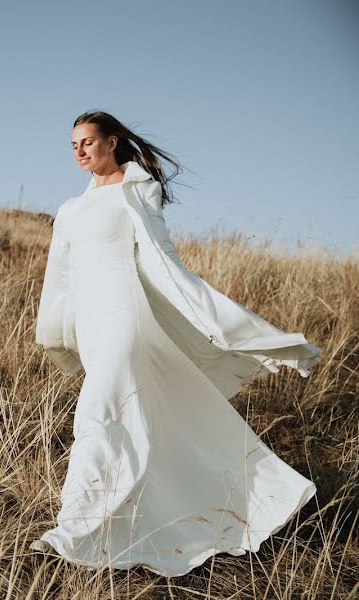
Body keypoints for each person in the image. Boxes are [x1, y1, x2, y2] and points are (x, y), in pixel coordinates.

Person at [29, 111, 322, 577]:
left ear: (113, 142)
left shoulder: (136, 191)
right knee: (142, 415)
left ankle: (76, 527)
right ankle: (178, 507)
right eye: (73, 145)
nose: (79, 151)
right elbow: (59, 278)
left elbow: (165, 262)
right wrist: (55, 333)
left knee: (98, 409)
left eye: (87, 141)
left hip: (124, 312)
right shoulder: (70, 210)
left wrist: (238, 327)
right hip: (91, 322)